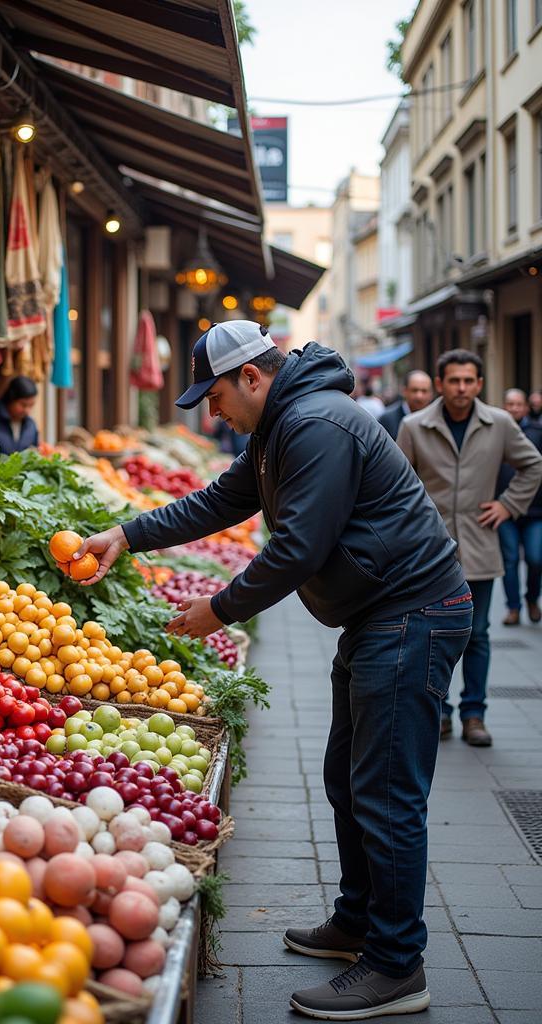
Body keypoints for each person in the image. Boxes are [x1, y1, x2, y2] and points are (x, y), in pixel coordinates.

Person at [73, 321, 469, 1021]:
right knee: (348, 777)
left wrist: (218, 609)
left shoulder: (315, 423)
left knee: (385, 794)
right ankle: (358, 924)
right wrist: (126, 535)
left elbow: (297, 548)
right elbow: (221, 502)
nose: (213, 412)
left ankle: (397, 964)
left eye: (216, 397)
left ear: (251, 377)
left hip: (412, 615)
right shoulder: (281, 425)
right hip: (381, 616)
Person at [397, 351, 542, 747]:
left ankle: (474, 714)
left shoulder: (499, 423)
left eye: (469, 381)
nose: (462, 388)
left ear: (479, 384)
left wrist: (508, 505)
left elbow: (534, 465)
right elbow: (395, 484)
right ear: (440, 384)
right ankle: (439, 713)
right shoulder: (414, 426)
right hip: (427, 553)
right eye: (454, 380)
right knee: (432, 637)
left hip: (479, 546)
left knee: (477, 634)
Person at [495, 389, 542, 625]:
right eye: (509, 404)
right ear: (504, 406)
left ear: (525, 407)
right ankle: (513, 607)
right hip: (503, 511)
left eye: (518, 404)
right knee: (510, 560)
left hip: (535, 512)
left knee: (535, 559)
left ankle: (533, 599)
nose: (514, 408)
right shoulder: (494, 433)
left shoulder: (537, 432)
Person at [377, 369, 433, 440]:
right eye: (414, 390)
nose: (419, 396)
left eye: (424, 391)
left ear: (431, 394)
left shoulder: (437, 419)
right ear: (404, 391)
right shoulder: (387, 419)